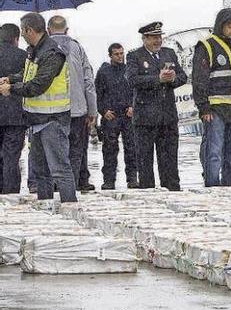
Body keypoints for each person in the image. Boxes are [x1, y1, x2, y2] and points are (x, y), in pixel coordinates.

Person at [0, 13, 76, 202]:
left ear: (29, 30)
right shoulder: (34, 50)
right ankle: (45, 206)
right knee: (41, 172)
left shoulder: (52, 53)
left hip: (53, 120)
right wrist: (11, 78)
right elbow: (28, 74)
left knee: (59, 169)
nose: (22, 36)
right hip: (36, 119)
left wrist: (11, 89)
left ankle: (69, 205)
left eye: (23, 31)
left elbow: (38, 85)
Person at [192, 8, 231, 187]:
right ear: (221, 26)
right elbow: (199, 80)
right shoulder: (207, 46)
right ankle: (212, 185)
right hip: (216, 108)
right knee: (214, 151)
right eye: (230, 27)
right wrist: (203, 107)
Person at [126, 21, 187, 191]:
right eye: (153, 38)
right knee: (145, 161)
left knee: (169, 161)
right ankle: (148, 194)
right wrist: (157, 79)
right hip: (145, 118)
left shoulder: (169, 54)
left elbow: (183, 77)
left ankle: (173, 191)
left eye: (159, 37)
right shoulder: (134, 56)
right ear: (144, 39)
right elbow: (132, 80)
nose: (158, 41)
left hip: (167, 117)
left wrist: (173, 78)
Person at [47, 16, 97, 191]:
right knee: (75, 152)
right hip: (76, 110)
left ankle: (53, 188)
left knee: (52, 153)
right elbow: (88, 81)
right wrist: (92, 110)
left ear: (48, 30)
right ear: (67, 30)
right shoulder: (77, 48)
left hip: (49, 110)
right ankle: (71, 188)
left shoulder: (41, 48)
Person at [95, 43, 137, 190]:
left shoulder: (129, 70)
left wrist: (132, 106)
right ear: (110, 55)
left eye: (121, 53)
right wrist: (103, 111)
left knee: (131, 149)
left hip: (127, 115)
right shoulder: (104, 72)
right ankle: (109, 180)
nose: (120, 56)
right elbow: (98, 95)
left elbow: (135, 91)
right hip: (111, 116)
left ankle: (132, 179)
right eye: (117, 54)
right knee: (109, 150)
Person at [0, 24, 28, 194]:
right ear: (16, 38)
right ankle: (10, 194)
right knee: (11, 157)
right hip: (16, 115)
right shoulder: (24, 56)